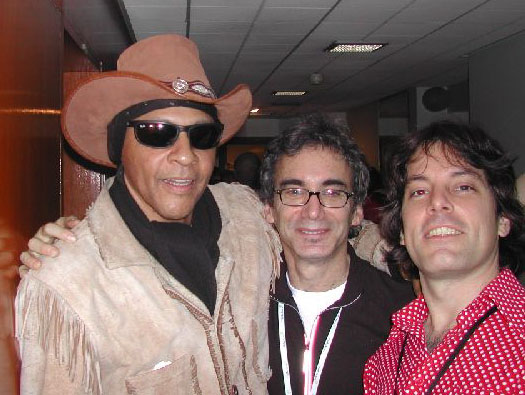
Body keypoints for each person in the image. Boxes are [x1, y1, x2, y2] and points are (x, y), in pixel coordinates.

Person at [15, 34, 281, 394]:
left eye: (202, 135)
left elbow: (325, 240)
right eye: (157, 133)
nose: (185, 155)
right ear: (118, 147)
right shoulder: (67, 284)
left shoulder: (248, 218)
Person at [363, 121, 525, 393]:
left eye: (463, 186)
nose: (437, 201)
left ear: (502, 220)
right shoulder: (386, 358)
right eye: (419, 191)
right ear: (401, 230)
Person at [259, 115, 414, 394]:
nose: (313, 211)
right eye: (295, 191)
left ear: (356, 212)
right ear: (269, 208)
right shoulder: (245, 306)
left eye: (332, 192)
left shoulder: (403, 315)